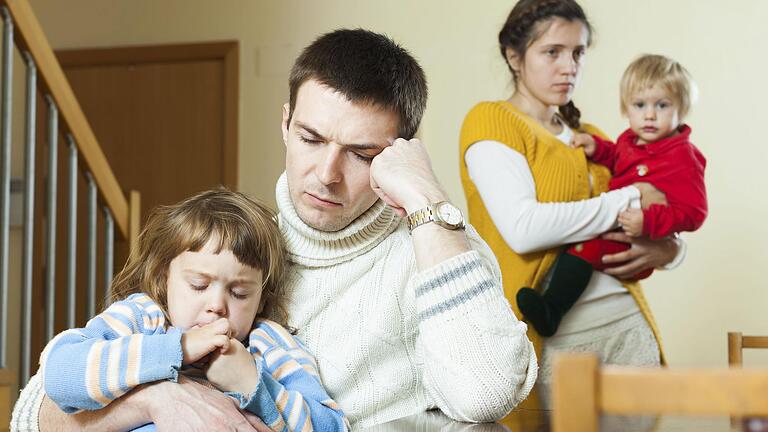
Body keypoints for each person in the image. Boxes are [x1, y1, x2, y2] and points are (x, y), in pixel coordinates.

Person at [13, 29, 537, 431]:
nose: (326, 174)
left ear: (399, 153)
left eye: (361, 154)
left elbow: (486, 395)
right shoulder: (235, 248)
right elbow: (33, 412)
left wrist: (428, 201)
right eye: (310, 138)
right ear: (285, 122)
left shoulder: (438, 247)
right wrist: (156, 398)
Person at [459, 0, 685, 408]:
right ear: (514, 56)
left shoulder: (593, 138)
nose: (569, 67)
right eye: (552, 52)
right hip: (551, 342)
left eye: (578, 53)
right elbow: (524, 229)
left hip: (629, 334)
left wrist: (671, 249)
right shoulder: (492, 121)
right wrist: (628, 198)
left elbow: (666, 203)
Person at [38, 189, 348, 431]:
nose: (216, 306)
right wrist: (177, 348)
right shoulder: (143, 318)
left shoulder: (269, 343)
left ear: (261, 299)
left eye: (239, 293)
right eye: (199, 285)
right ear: (164, 279)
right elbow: (60, 373)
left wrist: (251, 382)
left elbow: (330, 426)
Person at [516, 54, 707, 337]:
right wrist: (598, 149)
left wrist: (649, 221)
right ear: (626, 107)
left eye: (662, 105)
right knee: (580, 240)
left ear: (682, 109)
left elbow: (694, 213)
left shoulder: (683, 157)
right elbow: (618, 158)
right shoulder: (629, 141)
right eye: (640, 105)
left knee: (583, 246)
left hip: (635, 240)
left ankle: (552, 310)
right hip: (617, 229)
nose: (650, 115)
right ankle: (554, 306)